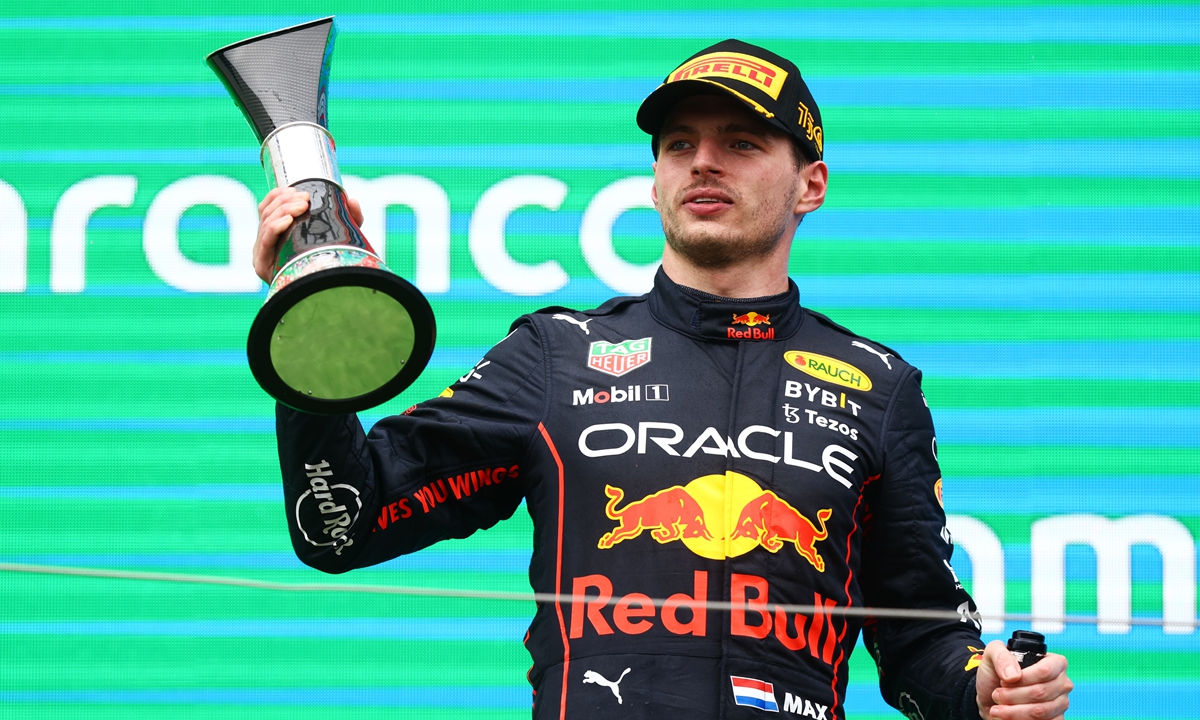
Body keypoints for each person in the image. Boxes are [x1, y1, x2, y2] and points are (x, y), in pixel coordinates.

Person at [254, 39, 1072, 720]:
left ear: (810, 184)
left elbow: (920, 634)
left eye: (742, 143)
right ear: (654, 182)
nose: (703, 162)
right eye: (680, 145)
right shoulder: (556, 353)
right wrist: (313, 318)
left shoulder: (877, 386)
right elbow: (342, 527)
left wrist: (986, 689)